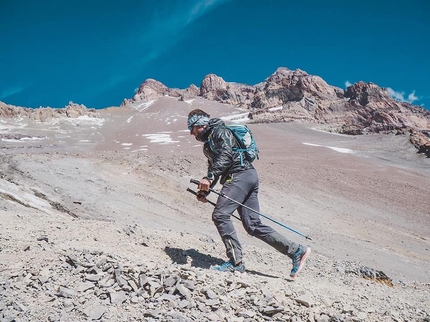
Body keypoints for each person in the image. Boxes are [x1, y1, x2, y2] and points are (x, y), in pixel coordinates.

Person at [187, 108, 311, 277]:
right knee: (253, 225)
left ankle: (235, 263)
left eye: (191, 128)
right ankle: (296, 251)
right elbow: (216, 166)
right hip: (248, 176)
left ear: (199, 124)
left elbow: (226, 156)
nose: (191, 133)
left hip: (239, 176)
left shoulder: (219, 132)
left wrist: (209, 177)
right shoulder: (210, 142)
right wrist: (205, 191)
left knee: (220, 215)